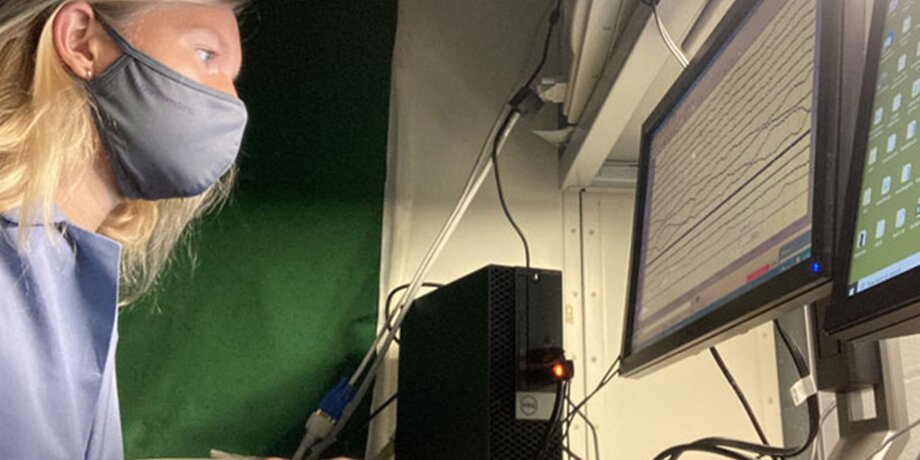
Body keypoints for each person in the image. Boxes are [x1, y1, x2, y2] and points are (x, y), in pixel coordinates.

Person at [0, 0, 257, 458]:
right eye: (206, 56)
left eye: (232, 77)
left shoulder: (66, 262)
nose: (231, 102)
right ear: (82, 41)